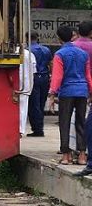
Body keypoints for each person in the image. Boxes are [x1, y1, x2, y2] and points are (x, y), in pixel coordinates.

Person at [48, 25, 92, 165]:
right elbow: (88, 75)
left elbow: (57, 76)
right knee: (81, 123)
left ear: (59, 38)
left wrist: (52, 93)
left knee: (65, 122)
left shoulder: (60, 54)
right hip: (82, 91)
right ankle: (82, 155)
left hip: (67, 91)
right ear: (73, 36)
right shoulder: (83, 54)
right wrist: (90, 91)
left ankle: (66, 155)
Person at [27, 31, 53, 136]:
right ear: (37, 37)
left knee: (34, 104)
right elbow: (50, 64)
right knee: (41, 103)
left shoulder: (27, 50)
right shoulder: (46, 49)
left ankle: (37, 129)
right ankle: (39, 127)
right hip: (45, 78)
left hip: (34, 77)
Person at [19, 45, 36, 136]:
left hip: (14, 84)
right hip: (25, 85)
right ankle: (20, 130)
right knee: (23, 109)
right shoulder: (29, 54)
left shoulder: (11, 53)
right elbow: (33, 71)